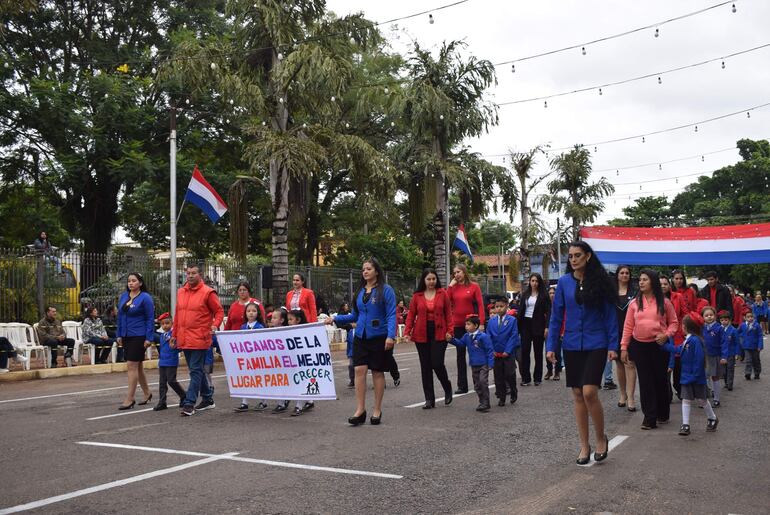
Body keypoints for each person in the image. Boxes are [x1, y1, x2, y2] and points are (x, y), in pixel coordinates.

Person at [546, 241, 617, 465]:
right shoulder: (564, 283)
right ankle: (584, 445)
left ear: (587, 256)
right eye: (571, 256)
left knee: (589, 392)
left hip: (597, 342)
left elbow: (610, 317)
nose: (573, 259)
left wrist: (614, 345)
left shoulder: (601, 282)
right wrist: (551, 347)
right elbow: (556, 317)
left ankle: (600, 439)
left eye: (578, 255)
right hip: (572, 343)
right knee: (577, 394)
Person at [328, 257, 397, 426]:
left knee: (377, 372)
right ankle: (360, 410)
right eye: (363, 269)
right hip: (360, 336)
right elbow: (355, 316)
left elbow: (391, 314)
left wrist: (390, 336)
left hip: (379, 336)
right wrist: (334, 319)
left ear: (376, 271)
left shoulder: (385, 290)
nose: (365, 272)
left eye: (369, 269)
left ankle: (377, 410)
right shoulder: (359, 292)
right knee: (359, 369)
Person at [621, 269, 678, 430]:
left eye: (645, 279)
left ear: (652, 282)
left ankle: (662, 412)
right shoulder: (634, 303)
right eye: (640, 280)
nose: (641, 282)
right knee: (645, 381)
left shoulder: (664, 302)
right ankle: (649, 418)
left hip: (659, 345)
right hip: (639, 345)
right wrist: (624, 347)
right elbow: (628, 327)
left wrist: (666, 335)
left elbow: (674, 323)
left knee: (660, 379)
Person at [173, 264, 224, 417]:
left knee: (195, 370)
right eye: (188, 273)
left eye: (193, 273)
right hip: (184, 337)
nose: (190, 275)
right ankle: (208, 398)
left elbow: (219, 311)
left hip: (200, 338)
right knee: (197, 370)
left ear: (200, 274)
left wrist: (215, 325)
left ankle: (189, 403)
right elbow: (178, 315)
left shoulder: (208, 292)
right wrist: (174, 335)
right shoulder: (181, 291)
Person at [660, 312, 718, 436]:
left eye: (683, 325)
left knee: (702, 400)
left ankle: (712, 417)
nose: (681, 327)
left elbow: (699, 359)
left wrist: (695, 375)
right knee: (686, 399)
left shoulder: (695, 341)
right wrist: (664, 346)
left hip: (695, 377)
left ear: (686, 327)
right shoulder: (689, 339)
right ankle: (685, 424)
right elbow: (678, 349)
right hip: (687, 376)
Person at [403, 268, 453, 409]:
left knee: (437, 363)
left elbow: (448, 313)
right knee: (425, 367)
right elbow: (411, 315)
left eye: (433, 279)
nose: (431, 281)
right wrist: (407, 332)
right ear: (423, 281)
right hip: (421, 333)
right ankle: (429, 399)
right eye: (428, 279)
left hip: (440, 332)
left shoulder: (442, 293)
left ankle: (447, 387)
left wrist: (450, 331)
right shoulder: (417, 296)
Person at [116, 273, 155, 409]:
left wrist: (149, 337)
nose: (131, 283)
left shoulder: (145, 298)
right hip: (126, 335)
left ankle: (130, 398)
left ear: (140, 283)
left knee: (131, 365)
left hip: (139, 335)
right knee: (138, 366)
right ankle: (147, 393)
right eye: (129, 281)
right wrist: (119, 334)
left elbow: (150, 318)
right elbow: (120, 317)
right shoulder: (124, 297)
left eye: (134, 281)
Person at [447, 264, 485, 394]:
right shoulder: (453, 287)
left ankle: (479, 382)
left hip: (472, 325)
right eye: (454, 273)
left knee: (476, 352)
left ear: (464, 272)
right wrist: (450, 286)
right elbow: (446, 301)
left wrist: (481, 323)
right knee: (460, 355)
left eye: (458, 272)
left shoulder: (474, 286)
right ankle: (462, 386)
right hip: (458, 324)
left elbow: (480, 305)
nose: (456, 275)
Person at [447, 314, 494, 412]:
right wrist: (451, 339)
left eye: (468, 324)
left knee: (483, 382)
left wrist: (490, 363)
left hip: (483, 364)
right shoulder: (466, 336)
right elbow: (461, 344)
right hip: (474, 364)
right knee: (477, 385)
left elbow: (489, 350)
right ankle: (482, 402)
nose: (466, 326)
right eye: (466, 324)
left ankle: (486, 402)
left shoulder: (483, 336)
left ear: (476, 326)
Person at [517, 273, 550, 386]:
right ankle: (526, 378)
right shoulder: (525, 294)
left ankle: (537, 378)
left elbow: (549, 312)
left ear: (539, 282)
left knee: (538, 353)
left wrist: (547, 327)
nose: (534, 283)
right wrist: (518, 327)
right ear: (529, 282)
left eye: (536, 281)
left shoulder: (543, 295)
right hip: (525, 324)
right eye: (532, 281)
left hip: (538, 325)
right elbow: (520, 310)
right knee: (525, 352)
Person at [233, 302, 267, 413]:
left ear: (258, 313)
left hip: (257, 358)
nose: (251, 313)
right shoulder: (243, 327)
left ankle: (264, 401)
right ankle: (244, 402)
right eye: (248, 311)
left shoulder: (260, 327)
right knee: (245, 379)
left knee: (260, 380)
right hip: (246, 358)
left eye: (253, 311)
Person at [488, 297, 520, 406]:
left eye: (501, 306)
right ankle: (501, 397)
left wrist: (508, 350)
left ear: (506, 306)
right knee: (498, 376)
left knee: (509, 374)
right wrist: (491, 350)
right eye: (497, 307)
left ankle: (513, 391)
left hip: (508, 353)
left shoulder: (512, 320)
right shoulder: (491, 321)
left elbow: (513, 336)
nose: (499, 309)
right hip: (496, 353)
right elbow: (489, 336)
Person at [614, 265, 637, 410]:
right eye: (622, 273)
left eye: (627, 273)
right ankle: (622, 394)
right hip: (615, 331)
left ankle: (631, 398)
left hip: (631, 331)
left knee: (630, 363)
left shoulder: (635, 292)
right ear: (617, 275)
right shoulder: (611, 292)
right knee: (619, 364)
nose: (624, 275)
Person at [661, 274, 687, 401]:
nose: (663, 286)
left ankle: (679, 388)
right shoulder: (653, 298)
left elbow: (684, 314)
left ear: (669, 284)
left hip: (677, 334)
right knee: (664, 366)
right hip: (661, 336)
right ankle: (667, 393)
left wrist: (684, 330)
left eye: (665, 284)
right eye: (660, 284)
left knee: (677, 365)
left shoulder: (678, 296)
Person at [153, 313, 186, 411]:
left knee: (171, 381)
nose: (165, 326)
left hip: (171, 361)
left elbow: (180, 347)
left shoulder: (174, 335)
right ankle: (162, 402)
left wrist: (175, 346)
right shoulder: (162, 335)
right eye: (162, 324)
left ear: (172, 323)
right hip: (163, 362)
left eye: (167, 323)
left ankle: (183, 395)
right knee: (162, 383)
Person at [287, 308, 316, 416]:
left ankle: (299, 406)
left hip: (304, 362)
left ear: (298, 320)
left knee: (301, 382)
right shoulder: (288, 331)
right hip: (294, 362)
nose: (288, 322)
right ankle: (309, 401)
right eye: (288, 319)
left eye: (290, 319)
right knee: (298, 382)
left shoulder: (305, 331)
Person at [701, 306, 728, 407]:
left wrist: (724, 356)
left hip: (715, 356)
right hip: (704, 356)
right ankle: (705, 399)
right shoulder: (701, 328)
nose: (709, 317)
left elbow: (724, 343)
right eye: (706, 315)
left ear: (715, 316)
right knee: (704, 377)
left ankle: (716, 399)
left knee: (715, 378)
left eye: (711, 315)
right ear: (703, 317)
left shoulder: (719, 328)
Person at [545, 286, 563, 381]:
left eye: (553, 293)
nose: (552, 295)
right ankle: (549, 370)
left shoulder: (559, 305)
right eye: (550, 293)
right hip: (547, 331)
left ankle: (557, 372)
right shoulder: (546, 305)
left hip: (558, 331)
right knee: (547, 351)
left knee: (557, 351)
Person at [738, 310, 763, 380]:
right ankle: (748, 373)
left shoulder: (757, 325)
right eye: (748, 317)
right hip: (746, 346)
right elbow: (737, 332)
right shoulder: (742, 325)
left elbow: (760, 336)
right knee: (748, 360)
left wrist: (760, 346)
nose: (750, 318)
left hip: (755, 346)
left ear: (754, 317)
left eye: (751, 316)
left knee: (756, 360)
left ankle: (757, 373)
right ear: (745, 318)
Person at [719, 311, 739, 391]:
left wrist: (737, 353)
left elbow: (737, 342)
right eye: (722, 320)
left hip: (731, 352)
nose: (724, 322)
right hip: (722, 353)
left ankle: (730, 384)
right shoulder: (719, 329)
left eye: (726, 320)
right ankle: (726, 382)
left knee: (730, 368)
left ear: (729, 320)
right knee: (723, 370)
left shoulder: (733, 330)